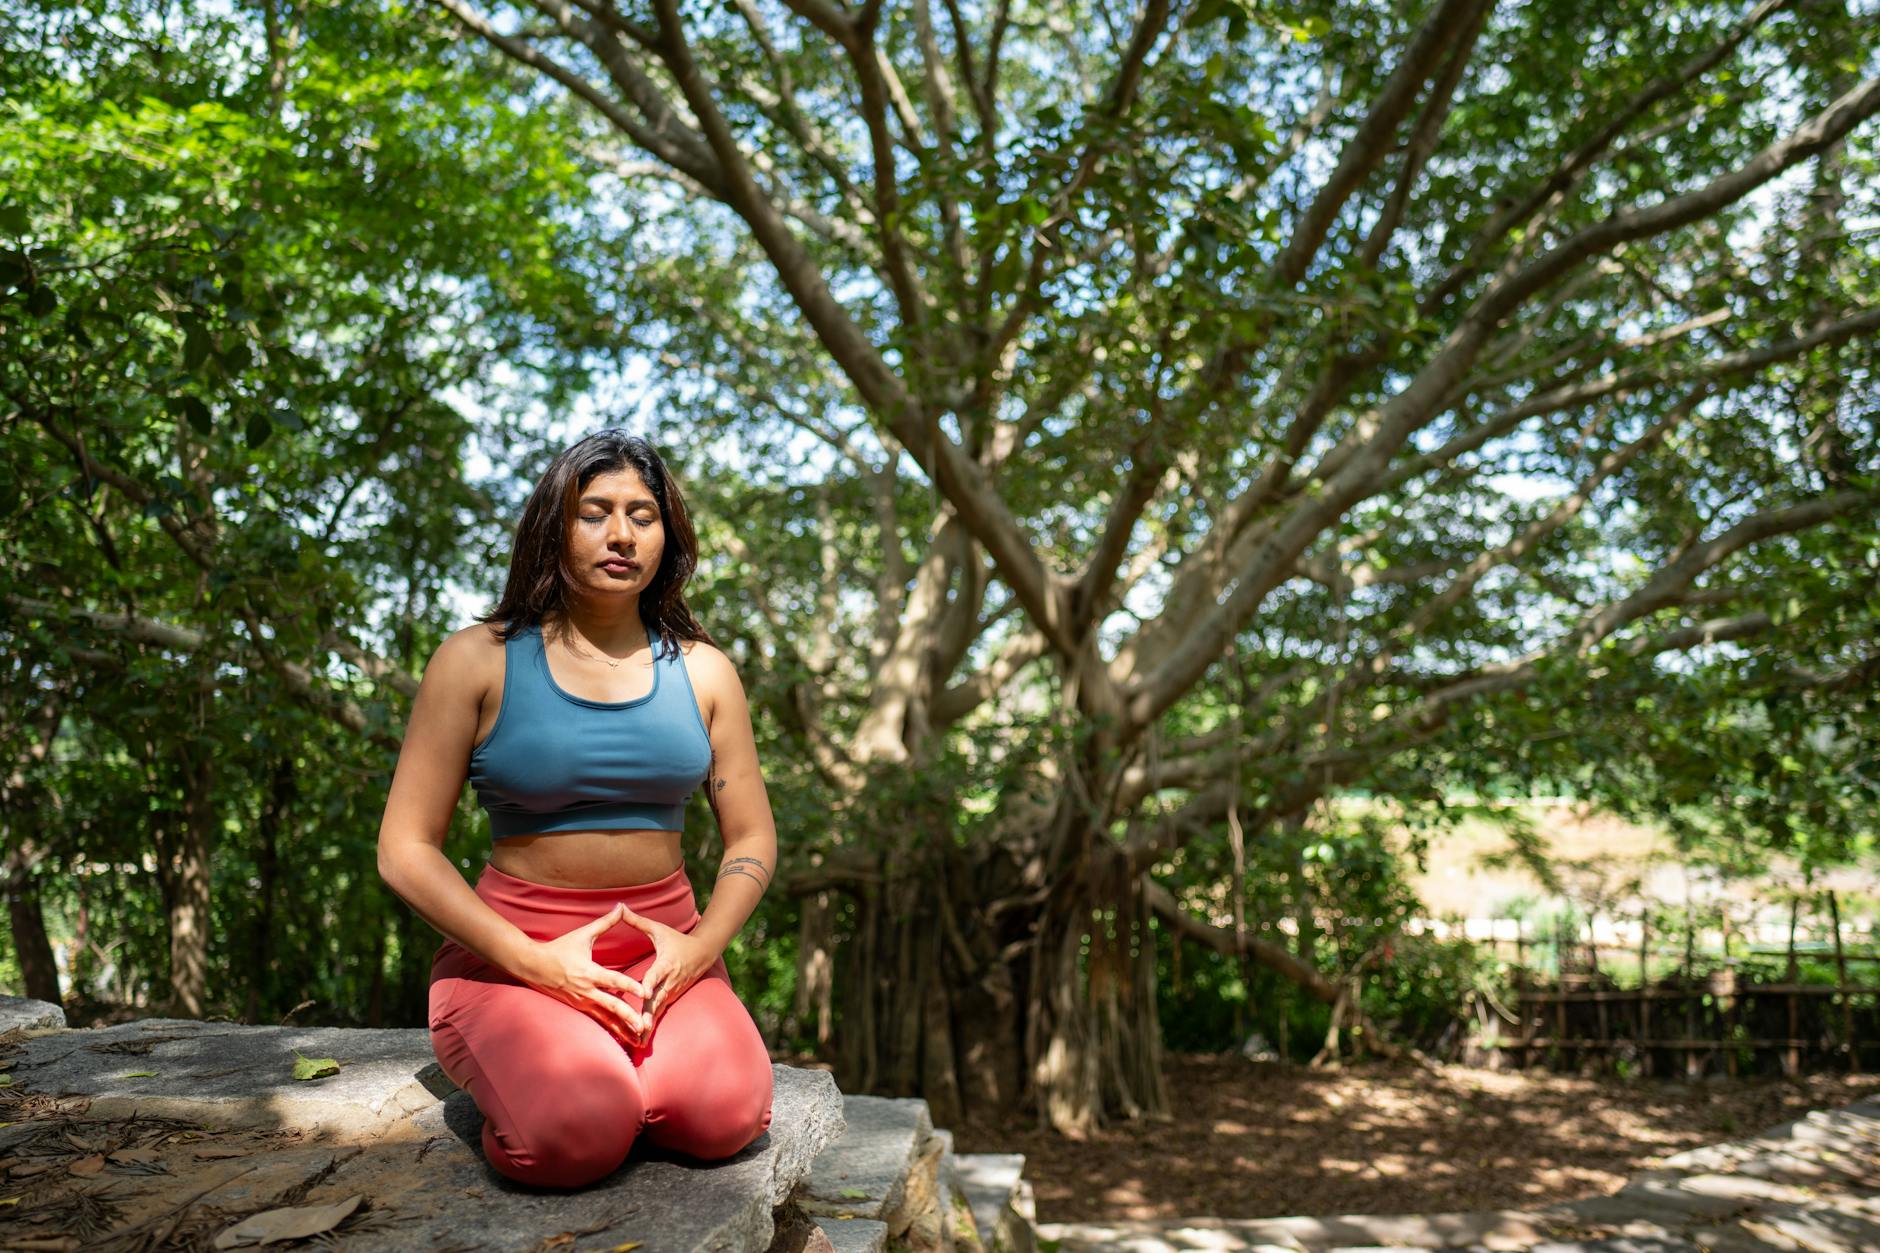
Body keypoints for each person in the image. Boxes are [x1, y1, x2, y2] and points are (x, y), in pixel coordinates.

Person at [376, 430, 776, 1189]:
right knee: (574, 1131)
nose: (621, 533)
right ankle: (579, 1082)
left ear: (669, 536)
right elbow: (404, 848)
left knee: (729, 1113)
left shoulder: (704, 672)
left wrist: (699, 950)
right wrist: (535, 961)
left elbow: (751, 835)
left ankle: (632, 1079)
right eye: (595, 512)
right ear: (553, 526)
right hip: (513, 960)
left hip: (666, 964)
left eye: (642, 514)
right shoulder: (477, 659)